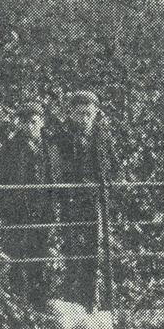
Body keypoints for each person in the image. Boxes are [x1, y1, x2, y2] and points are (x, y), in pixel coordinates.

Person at [51, 90, 117, 309]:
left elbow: (113, 165)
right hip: (72, 201)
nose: (84, 118)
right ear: (71, 114)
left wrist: (115, 185)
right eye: (80, 113)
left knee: (93, 251)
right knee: (71, 250)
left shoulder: (102, 135)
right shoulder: (62, 137)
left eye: (88, 113)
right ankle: (73, 303)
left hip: (96, 202)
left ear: (96, 113)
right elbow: (56, 169)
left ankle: (92, 303)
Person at [0, 100, 60, 306]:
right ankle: (19, 306)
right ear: (19, 124)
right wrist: (9, 209)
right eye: (25, 122)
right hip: (19, 213)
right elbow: (2, 182)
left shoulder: (50, 148)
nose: (29, 126)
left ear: (41, 122)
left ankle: (38, 303)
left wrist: (52, 207)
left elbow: (55, 178)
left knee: (39, 257)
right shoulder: (10, 150)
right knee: (18, 258)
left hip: (43, 212)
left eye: (33, 121)